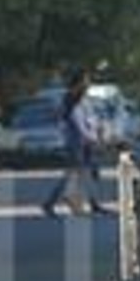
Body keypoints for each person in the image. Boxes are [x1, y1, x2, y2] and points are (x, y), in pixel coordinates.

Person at [42, 69, 107, 217]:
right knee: (78, 173)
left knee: (82, 173)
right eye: (85, 81)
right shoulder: (70, 99)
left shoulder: (82, 98)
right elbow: (75, 122)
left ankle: (92, 203)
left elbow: (90, 118)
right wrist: (90, 137)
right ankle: (90, 203)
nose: (88, 84)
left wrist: (97, 131)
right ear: (78, 83)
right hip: (76, 143)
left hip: (85, 141)